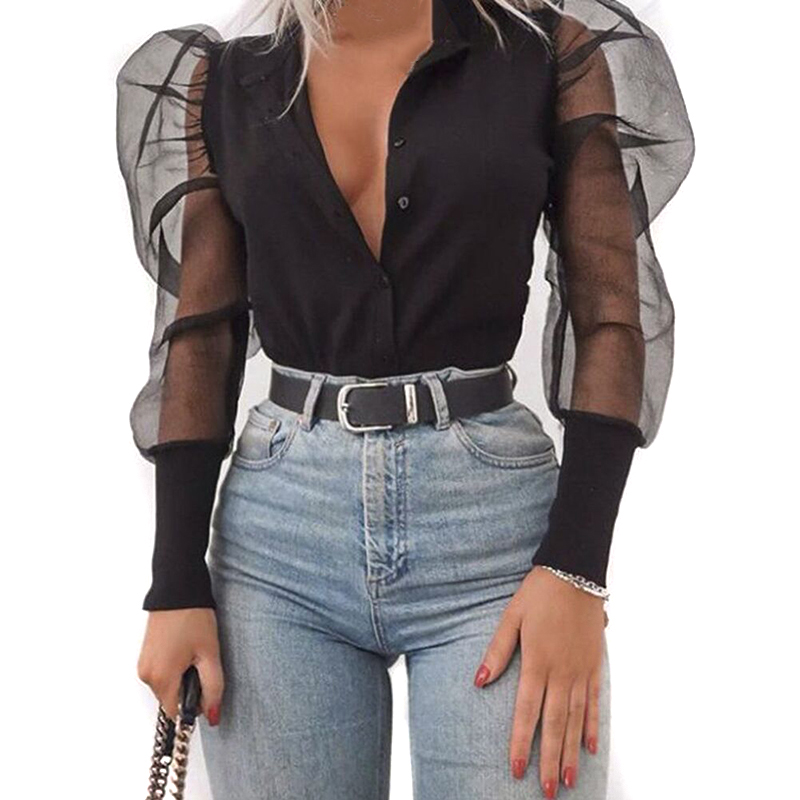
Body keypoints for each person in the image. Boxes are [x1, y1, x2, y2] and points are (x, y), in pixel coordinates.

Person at [115, 0, 693, 797]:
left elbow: (610, 317)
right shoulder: (225, 84)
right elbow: (201, 337)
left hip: (496, 543)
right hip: (277, 551)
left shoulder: (544, 56)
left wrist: (578, 566)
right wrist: (175, 578)